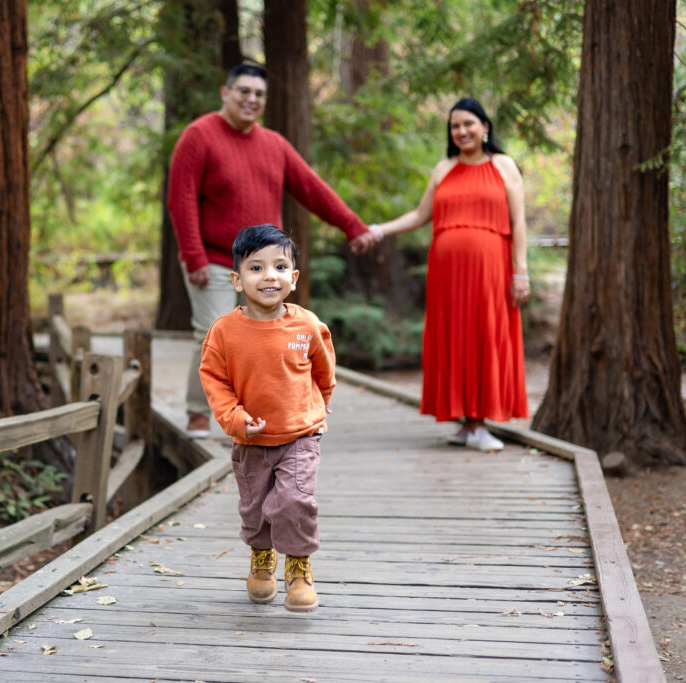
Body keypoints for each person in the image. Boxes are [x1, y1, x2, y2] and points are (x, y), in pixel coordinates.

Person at [167, 62, 376, 438]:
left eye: (259, 94)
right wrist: (193, 255)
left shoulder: (274, 145)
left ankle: (258, 414)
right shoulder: (198, 136)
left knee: (266, 337)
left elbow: (312, 188)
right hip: (214, 260)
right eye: (244, 91)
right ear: (225, 92)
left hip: (265, 265)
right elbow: (181, 200)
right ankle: (199, 413)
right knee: (212, 332)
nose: (252, 99)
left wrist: (352, 226)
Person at [367, 97, 529, 451]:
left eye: (469, 123)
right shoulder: (443, 168)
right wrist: (380, 230)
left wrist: (521, 272)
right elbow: (419, 215)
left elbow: (518, 221)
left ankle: (480, 423)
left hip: (490, 269)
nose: (462, 131)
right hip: (447, 275)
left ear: (485, 127)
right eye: (455, 126)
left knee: (483, 333)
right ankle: (463, 421)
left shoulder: (503, 166)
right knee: (453, 337)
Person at [199, 224, 334, 613]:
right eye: (255, 268)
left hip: (300, 434)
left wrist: (318, 407)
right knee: (255, 507)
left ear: (292, 278)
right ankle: (262, 557)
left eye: (279, 267)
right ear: (237, 280)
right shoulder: (223, 332)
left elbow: (324, 371)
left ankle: (298, 566)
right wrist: (236, 420)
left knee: (294, 500)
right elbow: (214, 381)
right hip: (250, 439)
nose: (268, 276)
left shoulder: (307, 325)